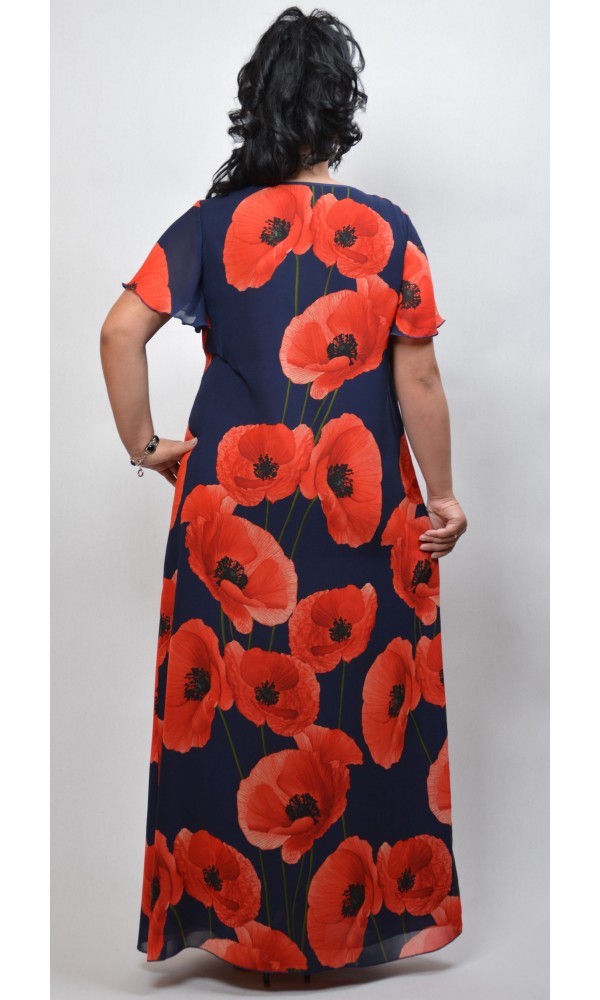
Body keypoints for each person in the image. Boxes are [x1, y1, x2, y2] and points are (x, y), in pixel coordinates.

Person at [100, 4, 468, 986]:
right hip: (359, 508)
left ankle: (239, 931)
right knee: (350, 709)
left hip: (229, 511)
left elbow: (118, 331)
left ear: (257, 106)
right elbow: (419, 377)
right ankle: (345, 929)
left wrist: (146, 448)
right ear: (339, 111)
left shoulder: (209, 224)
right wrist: (443, 496)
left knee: (231, 710)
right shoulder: (389, 230)